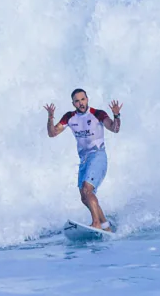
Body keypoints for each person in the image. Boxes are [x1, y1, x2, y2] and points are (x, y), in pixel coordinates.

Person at [44, 88, 122, 231]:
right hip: (84, 160)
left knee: (88, 190)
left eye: (83, 99)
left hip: (98, 155)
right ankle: (105, 226)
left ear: (87, 99)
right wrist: (50, 117)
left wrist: (116, 115)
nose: (81, 103)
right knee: (84, 197)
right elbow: (52, 133)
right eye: (77, 101)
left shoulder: (97, 114)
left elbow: (114, 129)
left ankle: (96, 223)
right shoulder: (69, 117)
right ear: (73, 103)